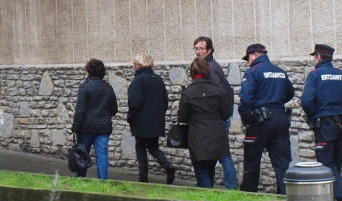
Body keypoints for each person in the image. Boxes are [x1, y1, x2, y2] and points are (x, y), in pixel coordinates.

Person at [301, 44, 342, 201]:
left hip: (324, 123)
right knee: (335, 163)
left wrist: (315, 115)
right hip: (340, 122)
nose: (314, 60)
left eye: (314, 57)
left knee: (326, 165)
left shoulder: (315, 75)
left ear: (318, 57)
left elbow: (306, 101)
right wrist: (338, 109)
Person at [238, 44, 295, 195]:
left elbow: (245, 99)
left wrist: (247, 120)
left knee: (252, 162)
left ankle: (248, 200)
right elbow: (290, 93)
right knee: (282, 163)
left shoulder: (253, 72)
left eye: (248, 58)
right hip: (280, 118)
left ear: (255, 55)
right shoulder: (280, 72)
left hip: (260, 120)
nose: (247, 62)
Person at [177, 58, 232, 188]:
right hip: (216, 133)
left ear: (192, 73)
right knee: (210, 169)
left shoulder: (187, 93)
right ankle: (210, 195)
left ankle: (207, 199)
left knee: (201, 172)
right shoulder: (218, 90)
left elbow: (182, 118)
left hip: (197, 135)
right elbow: (226, 113)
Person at [193, 36, 237, 189]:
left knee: (223, 155)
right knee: (218, 154)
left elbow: (222, 93)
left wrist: (221, 116)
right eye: (196, 48)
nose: (198, 52)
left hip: (217, 119)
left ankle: (231, 187)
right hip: (219, 117)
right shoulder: (209, 65)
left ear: (209, 50)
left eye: (201, 49)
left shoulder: (210, 68)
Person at [127, 54, 176, 184]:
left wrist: (130, 117)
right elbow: (164, 101)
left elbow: (134, 102)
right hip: (156, 121)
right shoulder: (158, 79)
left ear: (139, 65)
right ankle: (167, 166)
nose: (133, 67)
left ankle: (143, 178)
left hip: (141, 121)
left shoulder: (139, 80)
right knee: (153, 147)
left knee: (141, 148)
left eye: (134, 64)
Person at [71, 59, 118, 179]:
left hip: (86, 128)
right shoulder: (108, 88)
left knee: (82, 154)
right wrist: (104, 116)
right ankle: (103, 180)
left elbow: (80, 111)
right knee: (102, 154)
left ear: (89, 71)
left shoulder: (85, 87)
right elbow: (114, 109)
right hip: (104, 128)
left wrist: (75, 127)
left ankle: (80, 179)